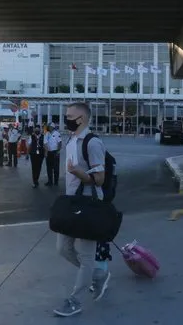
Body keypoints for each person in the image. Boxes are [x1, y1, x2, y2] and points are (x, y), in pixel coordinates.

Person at [54, 102, 110, 317]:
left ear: (82, 119)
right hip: (71, 203)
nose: (66, 118)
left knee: (85, 256)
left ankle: (75, 300)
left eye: (70, 116)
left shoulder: (92, 142)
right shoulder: (70, 140)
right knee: (63, 248)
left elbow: (99, 179)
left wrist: (79, 173)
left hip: (88, 206)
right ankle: (98, 275)